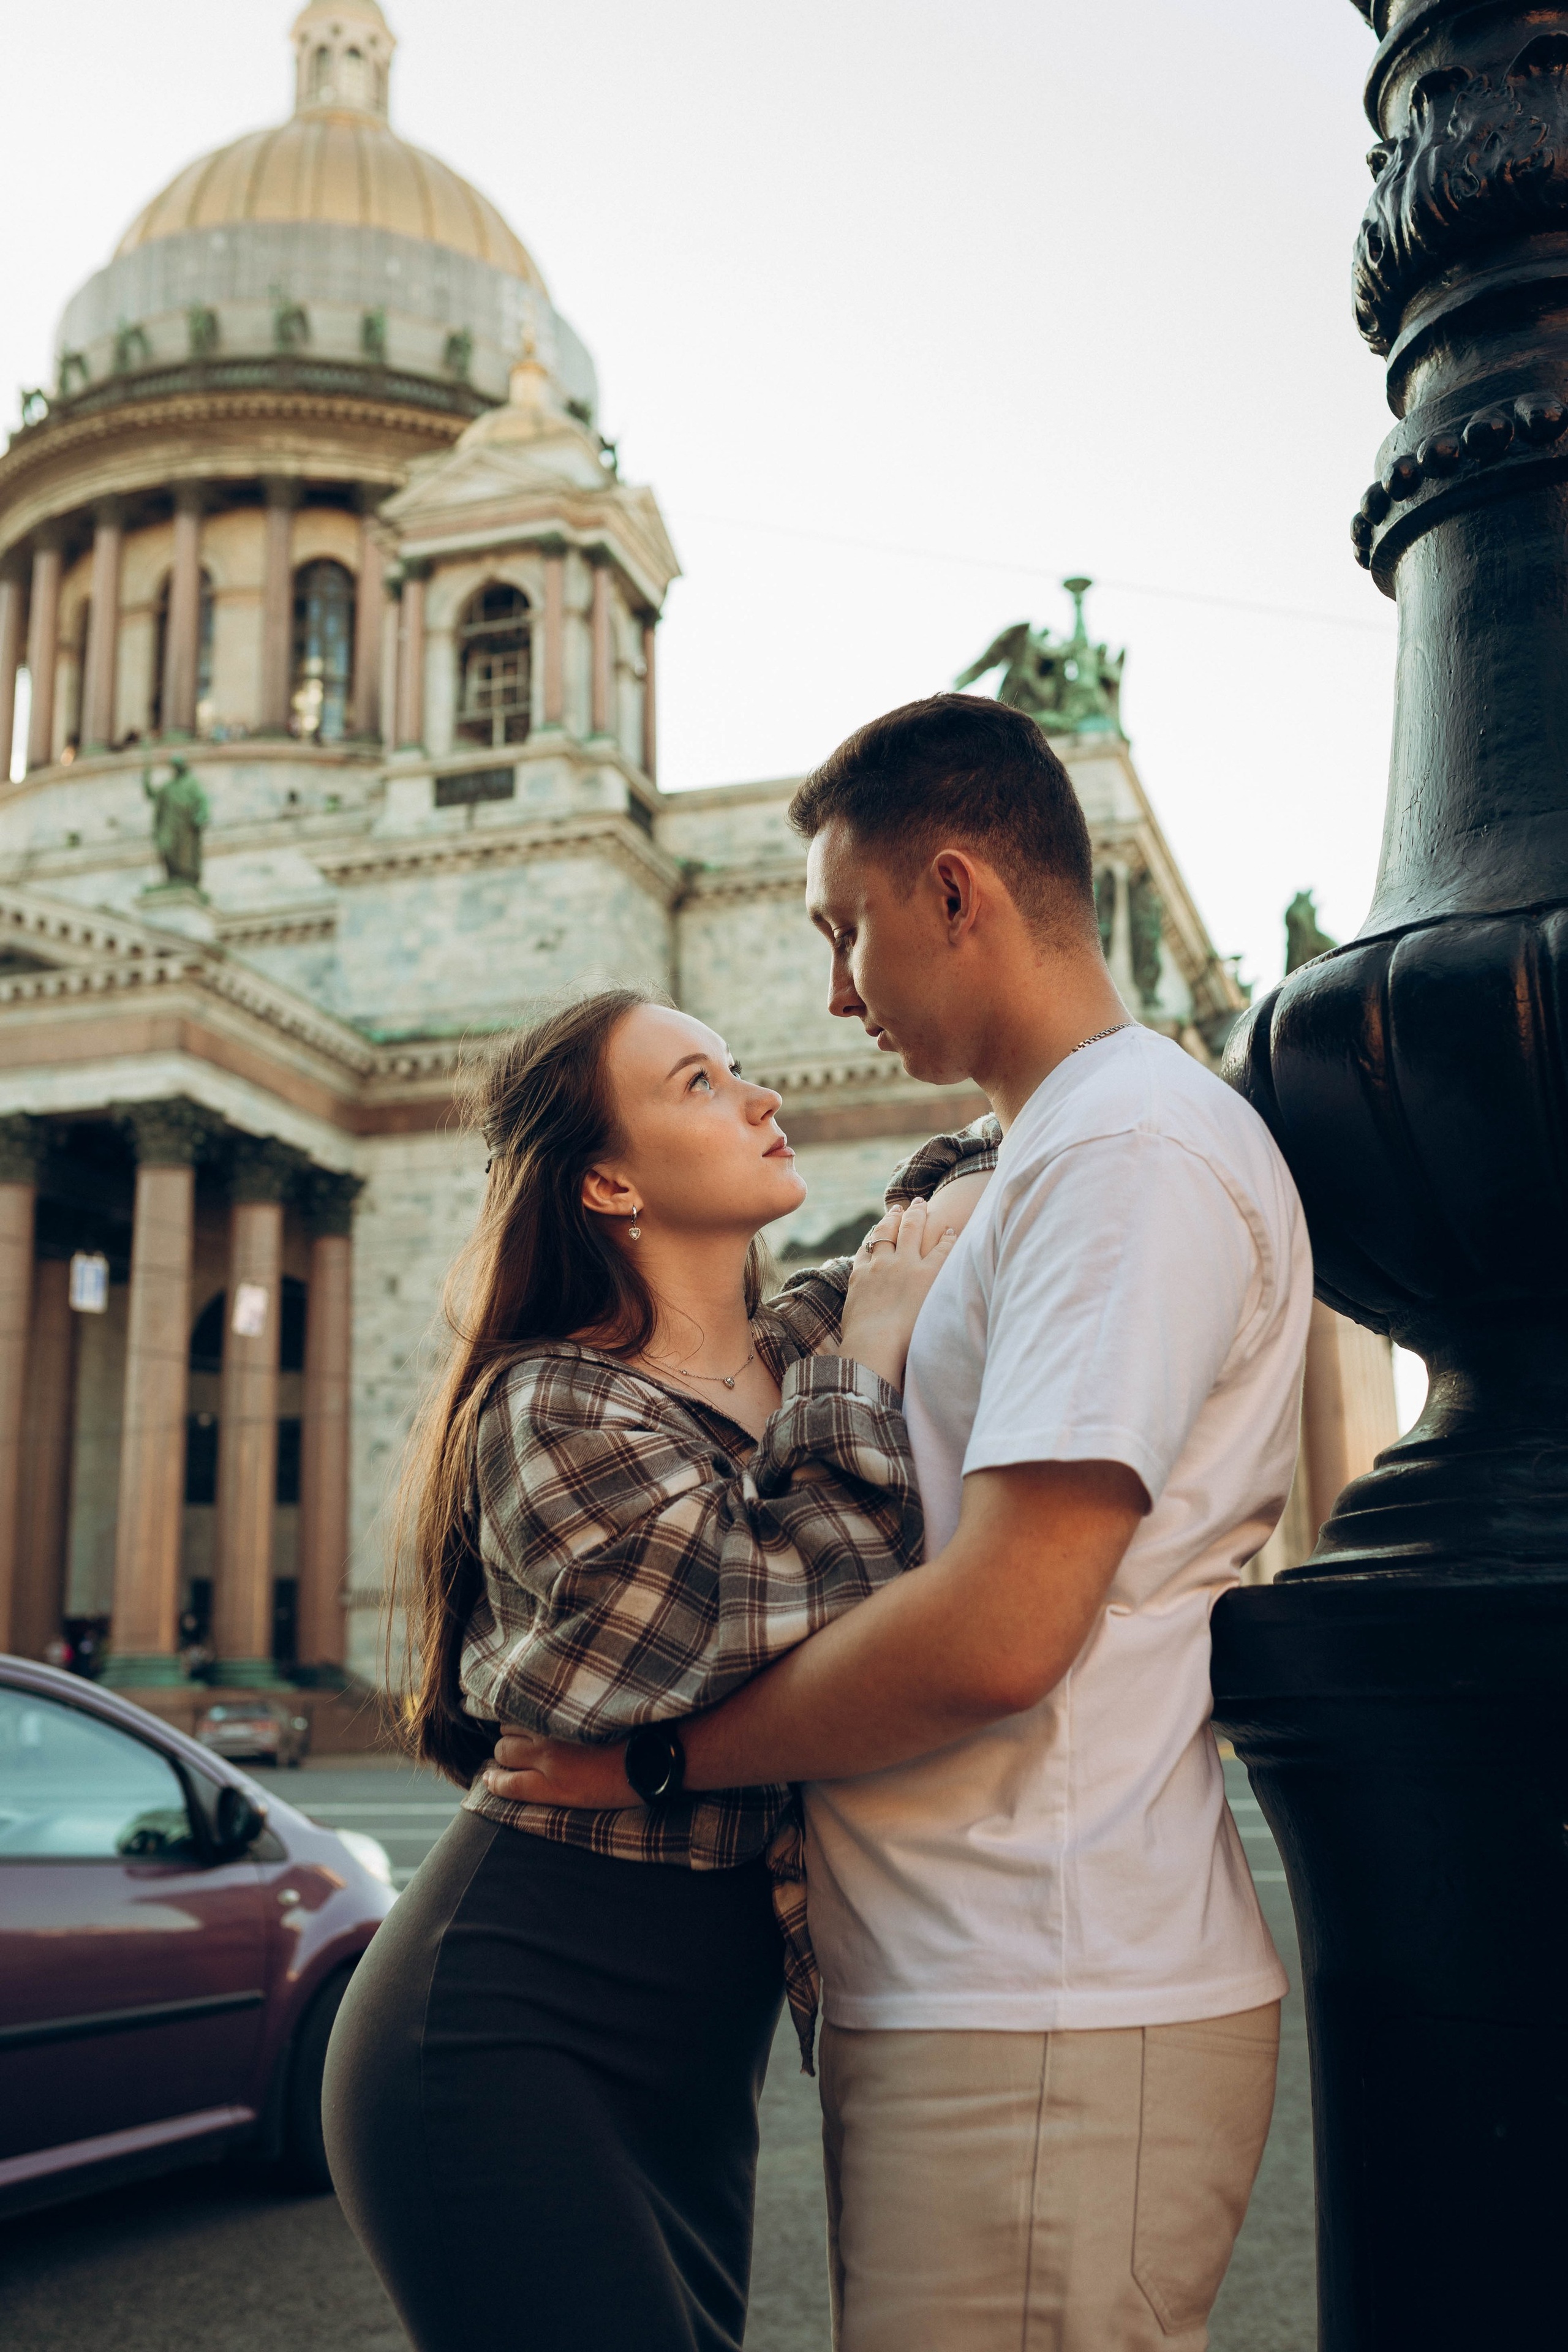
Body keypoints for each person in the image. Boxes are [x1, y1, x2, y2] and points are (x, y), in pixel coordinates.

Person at [486, 694, 1313, 2352]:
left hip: (1045, 1985)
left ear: (956, 895)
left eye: (847, 933)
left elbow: (1005, 1628)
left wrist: (653, 1759)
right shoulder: (1048, 1157)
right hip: (982, 1981)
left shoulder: (1127, 1154)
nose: (838, 993)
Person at [322, 984, 997, 2352]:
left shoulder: (798, 1346)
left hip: (697, 2060)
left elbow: (963, 1180)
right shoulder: (552, 1400)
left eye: (740, 1067)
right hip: (506, 2027)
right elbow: (793, 1594)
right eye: (697, 1082)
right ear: (606, 1183)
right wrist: (870, 1358)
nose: (757, 1096)